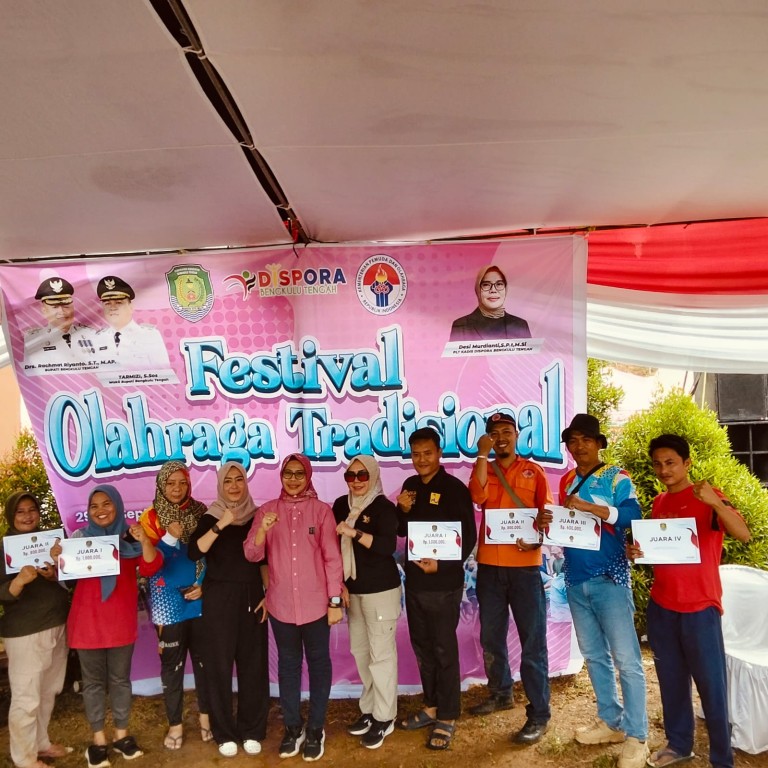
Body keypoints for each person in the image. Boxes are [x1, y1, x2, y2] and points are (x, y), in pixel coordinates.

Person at [629, 434, 750, 768]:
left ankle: (722, 759)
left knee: (712, 687)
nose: (664, 470)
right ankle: (679, 744)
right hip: (663, 606)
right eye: (658, 464)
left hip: (700, 609)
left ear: (687, 463)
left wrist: (715, 502)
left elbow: (743, 533)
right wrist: (638, 551)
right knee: (671, 681)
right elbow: (662, 549)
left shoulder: (707, 496)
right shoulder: (659, 503)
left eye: (671, 462)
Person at [539, 413, 648, 768]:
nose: (579, 446)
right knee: (595, 656)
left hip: (610, 578)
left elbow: (633, 515)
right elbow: (567, 526)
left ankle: (637, 736)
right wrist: (548, 521)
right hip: (575, 580)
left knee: (627, 660)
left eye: (586, 439)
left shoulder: (617, 476)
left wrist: (590, 507)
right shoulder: (567, 480)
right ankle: (611, 721)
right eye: (572, 440)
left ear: (599, 443)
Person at [54, 485, 162, 768]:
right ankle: (98, 740)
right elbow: (66, 580)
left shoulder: (129, 537)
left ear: (117, 505)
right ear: (88, 511)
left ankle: (121, 736)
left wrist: (144, 539)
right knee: (92, 684)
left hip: (120, 623)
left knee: (120, 681)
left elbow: (151, 566)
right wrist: (58, 559)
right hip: (87, 623)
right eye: (94, 506)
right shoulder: (78, 539)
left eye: (107, 504)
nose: (100, 510)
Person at [245, 454, 344, 762]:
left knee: (319, 664)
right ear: (281, 476)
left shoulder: (322, 511)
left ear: (308, 475)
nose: (293, 479)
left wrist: (335, 601)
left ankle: (315, 728)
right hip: (282, 607)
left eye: (299, 473)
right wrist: (262, 530)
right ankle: (293, 727)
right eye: (288, 473)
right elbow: (251, 555)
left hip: (316, 606)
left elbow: (332, 559)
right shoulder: (267, 511)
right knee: (288, 667)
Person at [467, 411, 553, 745]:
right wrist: (481, 455)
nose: (501, 437)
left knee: (533, 643)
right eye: (494, 433)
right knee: (491, 637)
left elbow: (547, 515)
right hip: (490, 567)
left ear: (516, 435)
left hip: (525, 568)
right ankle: (501, 692)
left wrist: (538, 537)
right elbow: (477, 496)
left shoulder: (534, 471)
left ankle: (539, 714)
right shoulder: (484, 467)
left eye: (506, 431)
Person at [395, 427, 477, 751]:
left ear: (439, 453)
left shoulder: (454, 489)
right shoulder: (410, 486)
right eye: (416, 454)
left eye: (427, 453)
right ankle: (430, 706)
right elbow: (402, 531)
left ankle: (448, 714)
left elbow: (468, 538)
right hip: (416, 584)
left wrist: (441, 565)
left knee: (443, 649)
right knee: (423, 648)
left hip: (444, 585)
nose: (421, 460)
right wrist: (402, 510)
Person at [187, 462, 268, 759]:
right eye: (228, 481)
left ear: (246, 482)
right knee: (218, 666)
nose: (234, 486)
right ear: (220, 485)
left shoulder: (257, 516)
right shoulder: (211, 516)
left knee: (253, 666)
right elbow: (195, 551)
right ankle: (223, 732)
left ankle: (252, 730)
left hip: (252, 596)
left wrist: (268, 594)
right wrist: (222, 523)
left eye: (239, 480)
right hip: (219, 598)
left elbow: (264, 559)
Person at [138, 461, 211, 751]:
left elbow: (210, 555)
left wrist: (204, 585)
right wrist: (169, 536)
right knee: (172, 666)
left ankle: (206, 718)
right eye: (171, 483)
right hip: (166, 602)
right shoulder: (149, 518)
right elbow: (149, 564)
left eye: (182, 482)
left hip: (199, 597)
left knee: (204, 663)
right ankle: (175, 724)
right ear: (161, 485)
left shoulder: (202, 512)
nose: (177, 488)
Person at [332, 455, 401, 750]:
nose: (357, 481)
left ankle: (386, 717)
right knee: (361, 652)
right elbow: (332, 549)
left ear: (372, 476)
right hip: (353, 591)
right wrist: (339, 586)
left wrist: (355, 532)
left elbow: (387, 547)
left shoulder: (384, 507)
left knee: (381, 655)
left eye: (362, 475)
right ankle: (370, 710)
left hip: (381, 591)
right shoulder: (340, 505)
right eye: (351, 476)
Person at [0, 492, 71, 768]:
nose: (28, 515)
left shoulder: (50, 543)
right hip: (26, 633)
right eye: (20, 511)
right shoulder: (4, 549)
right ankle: (24, 759)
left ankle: (41, 743)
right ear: (11, 516)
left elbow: (69, 578)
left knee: (48, 691)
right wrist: (18, 582)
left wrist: (55, 574)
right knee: (26, 697)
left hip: (57, 624)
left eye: (32, 509)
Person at [93, 276, 171, 370]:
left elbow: (163, 373)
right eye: (107, 303)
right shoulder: (97, 338)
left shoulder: (149, 335)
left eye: (119, 302)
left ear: (131, 307)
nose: (112, 308)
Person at [24, 276, 94, 368]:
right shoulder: (33, 340)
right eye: (55, 307)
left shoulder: (90, 333)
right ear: (44, 311)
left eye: (66, 306)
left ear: (73, 308)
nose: (62, 311)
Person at [449, 265, 531, 342]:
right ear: (478, 289)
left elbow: (530, 353)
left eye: (499, 284)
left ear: (505, 289)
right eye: (486, 285)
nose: (493, 290)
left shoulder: (521, 325)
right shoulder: (461, 325)